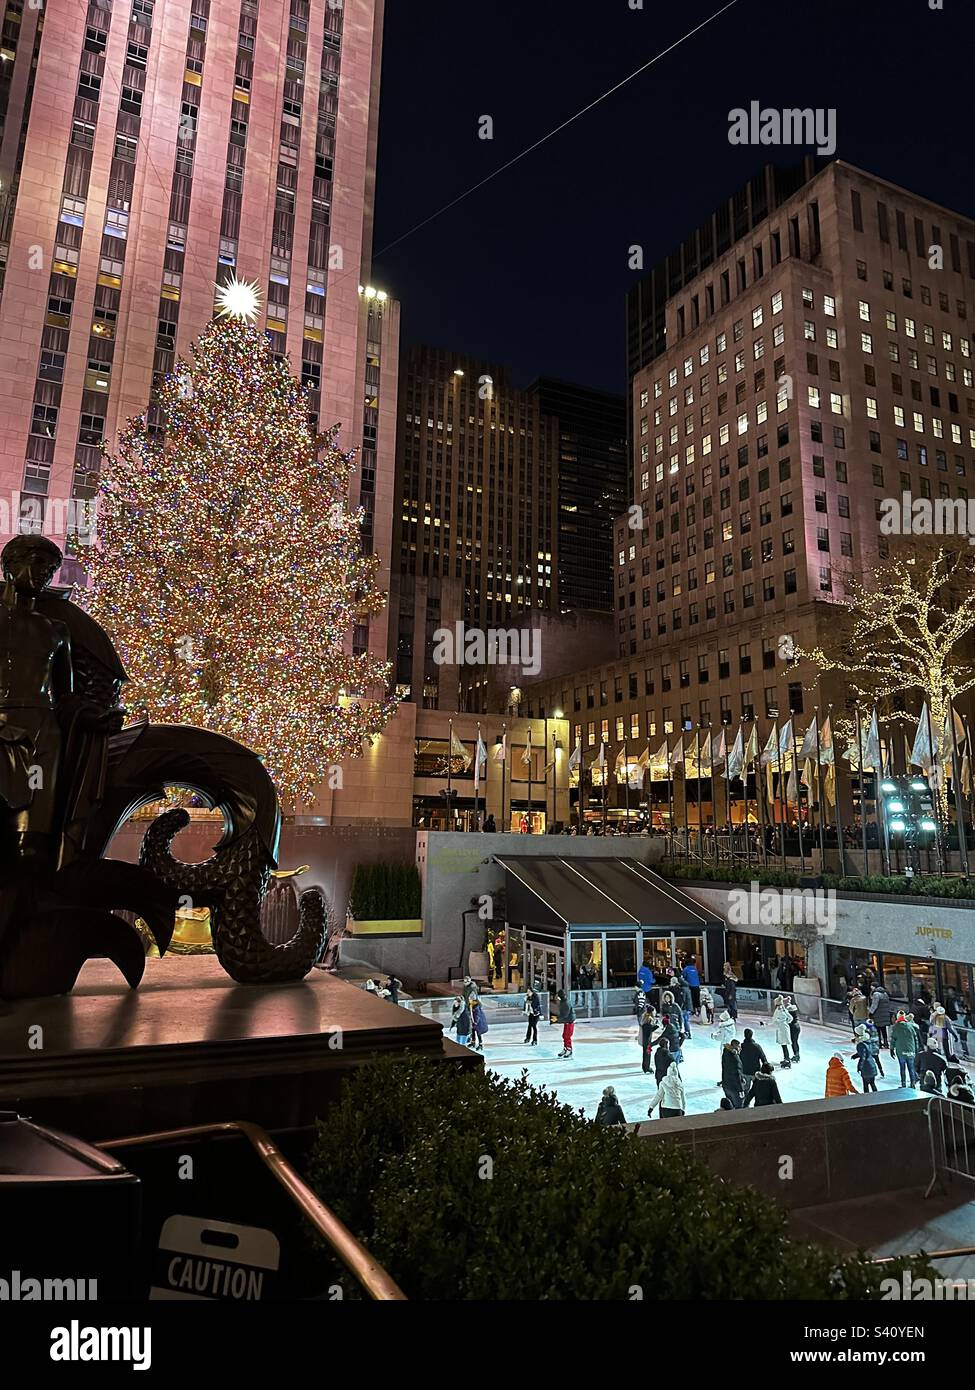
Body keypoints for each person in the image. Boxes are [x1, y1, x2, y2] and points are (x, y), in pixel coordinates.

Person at [891, 1011, 920, 1089]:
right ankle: (913, 1083)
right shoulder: (910, 1026)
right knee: (911, 1068)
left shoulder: (895, 1027)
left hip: (901, 1052)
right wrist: (916, 1050)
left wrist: (891, 1049)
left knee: (902, 1068)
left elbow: (893, 1039)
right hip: (911, 1051)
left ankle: (903, 1084)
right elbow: (915, 1038)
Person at [739, 1027, 769, 1092]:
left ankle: (746, 1101)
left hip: (745, 1071)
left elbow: (737, 1059)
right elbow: (763, 1058)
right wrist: (766, 1069)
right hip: (755, 1071)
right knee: (758, 1088)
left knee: (745, 1089)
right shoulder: (757, 1046)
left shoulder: (741, 1047)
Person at [852, 1025, 879, 1093]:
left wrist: (859, 1067)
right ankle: (878, 1097)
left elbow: (863, 1057)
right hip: (872, 1065)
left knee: (866, 1085)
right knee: (872, 1084)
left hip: (866, 1067)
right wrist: (856, 1055)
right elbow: (867, 1052)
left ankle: (867, 1100)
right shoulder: (867, 1041)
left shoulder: (861, 1045)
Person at [720, 1039, 745, 1109]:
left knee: (730, 1106)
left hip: (726, 1084)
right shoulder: (735, 1059)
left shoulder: (725, 1053)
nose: (741, 1048)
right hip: (734, 1088)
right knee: (738, 1107)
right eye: (739, 1047)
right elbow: (737, 1074)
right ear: (735, 1047)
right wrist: (741, 1089)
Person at [772, 995, 794, 1069]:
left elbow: (773, 1020)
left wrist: (764, 1024)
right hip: (785, 1027)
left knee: (784, 1045)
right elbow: (791, 1018)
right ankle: (786, 1059)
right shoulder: (784, 1009)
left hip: (781, 1029)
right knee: (784, 1045)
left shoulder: (778, 1011)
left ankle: (787, 1060)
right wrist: (785, 1022)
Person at [869, 984, 893, 1050]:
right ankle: (886, 1043)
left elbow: (874, 1005)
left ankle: (879, 1043)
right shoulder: (885, 993)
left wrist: (870, 1012)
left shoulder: (876, 994)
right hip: (885, 1014)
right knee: (883, 1029)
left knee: (878, 1029)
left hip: (878, 1014)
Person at [556, 989, 575, 1059]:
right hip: (566, 1021)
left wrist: (557, 1019)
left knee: (567, 1036)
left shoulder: (566, 1003)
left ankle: (569, 1050)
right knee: (564, 1035)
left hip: (570, 1021)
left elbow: (565, 1014)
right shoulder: (563, 1001)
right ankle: (565, 1048)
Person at [639, 1003, 657, 1072]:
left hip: (645, 1040)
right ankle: (647, 1067)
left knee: (645, 1054)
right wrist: (656, 1026)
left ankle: (645, 1067)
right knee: (647, 1054)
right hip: (647, 1041)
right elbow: (648, 1030)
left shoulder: (646, 1018)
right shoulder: (648, 1019)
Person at [787, 995, 802, 1063]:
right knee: (795, 1041)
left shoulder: (789, 1009)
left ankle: (796, 1055)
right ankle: (797, 1054)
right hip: (797, 1026)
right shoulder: (794, 1007)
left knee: (794, 1042)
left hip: (793, 1027)